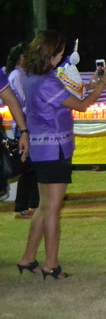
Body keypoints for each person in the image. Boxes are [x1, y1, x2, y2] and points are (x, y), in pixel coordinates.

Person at [16, 30, 106, 279]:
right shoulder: (46, 81)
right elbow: (81, 105)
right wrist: (101, 86)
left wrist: (89, 86)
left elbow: (69, 97)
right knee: (52, 209)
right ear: (53, 55)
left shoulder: (34, 77)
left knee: (45, 207)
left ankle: (28, 258)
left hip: (43, 146)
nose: (62, 57)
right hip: (55, 148)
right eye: (60, 53)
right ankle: (51, 264)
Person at [6, 42, 38, 219]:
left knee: (32, 167)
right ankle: (22, 206)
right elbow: (23, 101)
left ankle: (30, 204)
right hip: (23, 125)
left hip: (27, 123)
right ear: (22, 57)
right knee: (28, 167)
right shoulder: (17, 75)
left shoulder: (23, 74)